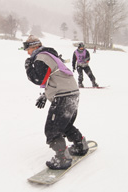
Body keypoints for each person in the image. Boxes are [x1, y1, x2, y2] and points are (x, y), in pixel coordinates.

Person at [23, 35, 89, 170]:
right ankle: (80, 145)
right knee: (64, 125)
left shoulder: (41, 57)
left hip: (63, 96)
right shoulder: (50, 56)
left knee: (52, 129)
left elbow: (38, 79)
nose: (27, 52)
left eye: (27, 48)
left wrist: (28, 68)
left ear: (35, 46)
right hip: (72, 93)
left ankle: (62, 158)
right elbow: (51, 77)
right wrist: (44, 94)